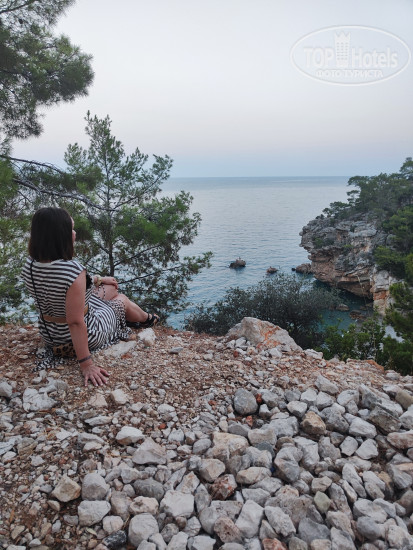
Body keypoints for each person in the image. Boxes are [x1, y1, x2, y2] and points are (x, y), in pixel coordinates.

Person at [22, 207, 159, 387]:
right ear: (59, 236)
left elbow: (63, 285)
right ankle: (148, 319)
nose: (74, 233)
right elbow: (75, 322)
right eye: (71, 229)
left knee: (109, 287)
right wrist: (86, 364)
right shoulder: (73, 270)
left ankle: (130, 318)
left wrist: (99, 280)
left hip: (51, 334)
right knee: (121, 299)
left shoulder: (30, 264)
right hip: (84, 335)